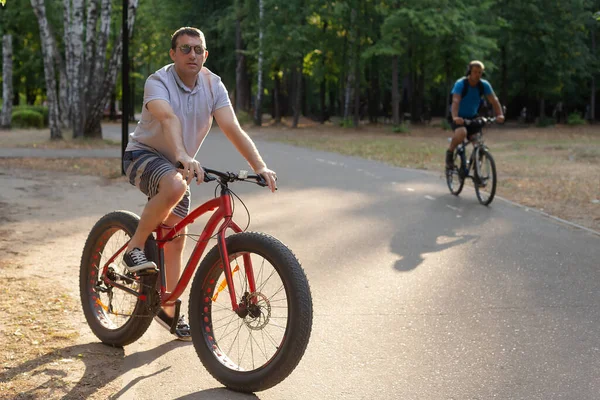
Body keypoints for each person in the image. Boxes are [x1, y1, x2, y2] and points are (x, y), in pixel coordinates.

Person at [122, 27, 277, 340]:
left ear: (205, 55)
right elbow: (168, 120)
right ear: (173, 54)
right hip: (143, 155)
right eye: (184, 49)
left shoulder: (213, 84)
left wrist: (259, 166)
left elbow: (232, 127)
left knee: (176, 237)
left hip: (179, 165)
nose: (191, 54)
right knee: (176, 186)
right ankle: (134, 246)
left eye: (197, 49)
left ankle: (167, 308)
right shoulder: (159, 81)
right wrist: (181, 156)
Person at [446, 60, 505, 169]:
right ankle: (450, 153)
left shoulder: (484, 85)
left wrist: (500, 114)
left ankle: (477, 172)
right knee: (462, 133)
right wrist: (455, 117)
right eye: (475, 72)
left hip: (472, 117)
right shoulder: (461, 84)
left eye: (480, 72)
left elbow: (494, 100)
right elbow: (455, 101)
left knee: (478, 143)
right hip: (457, 117)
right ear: (469, 72)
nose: (477, 75)